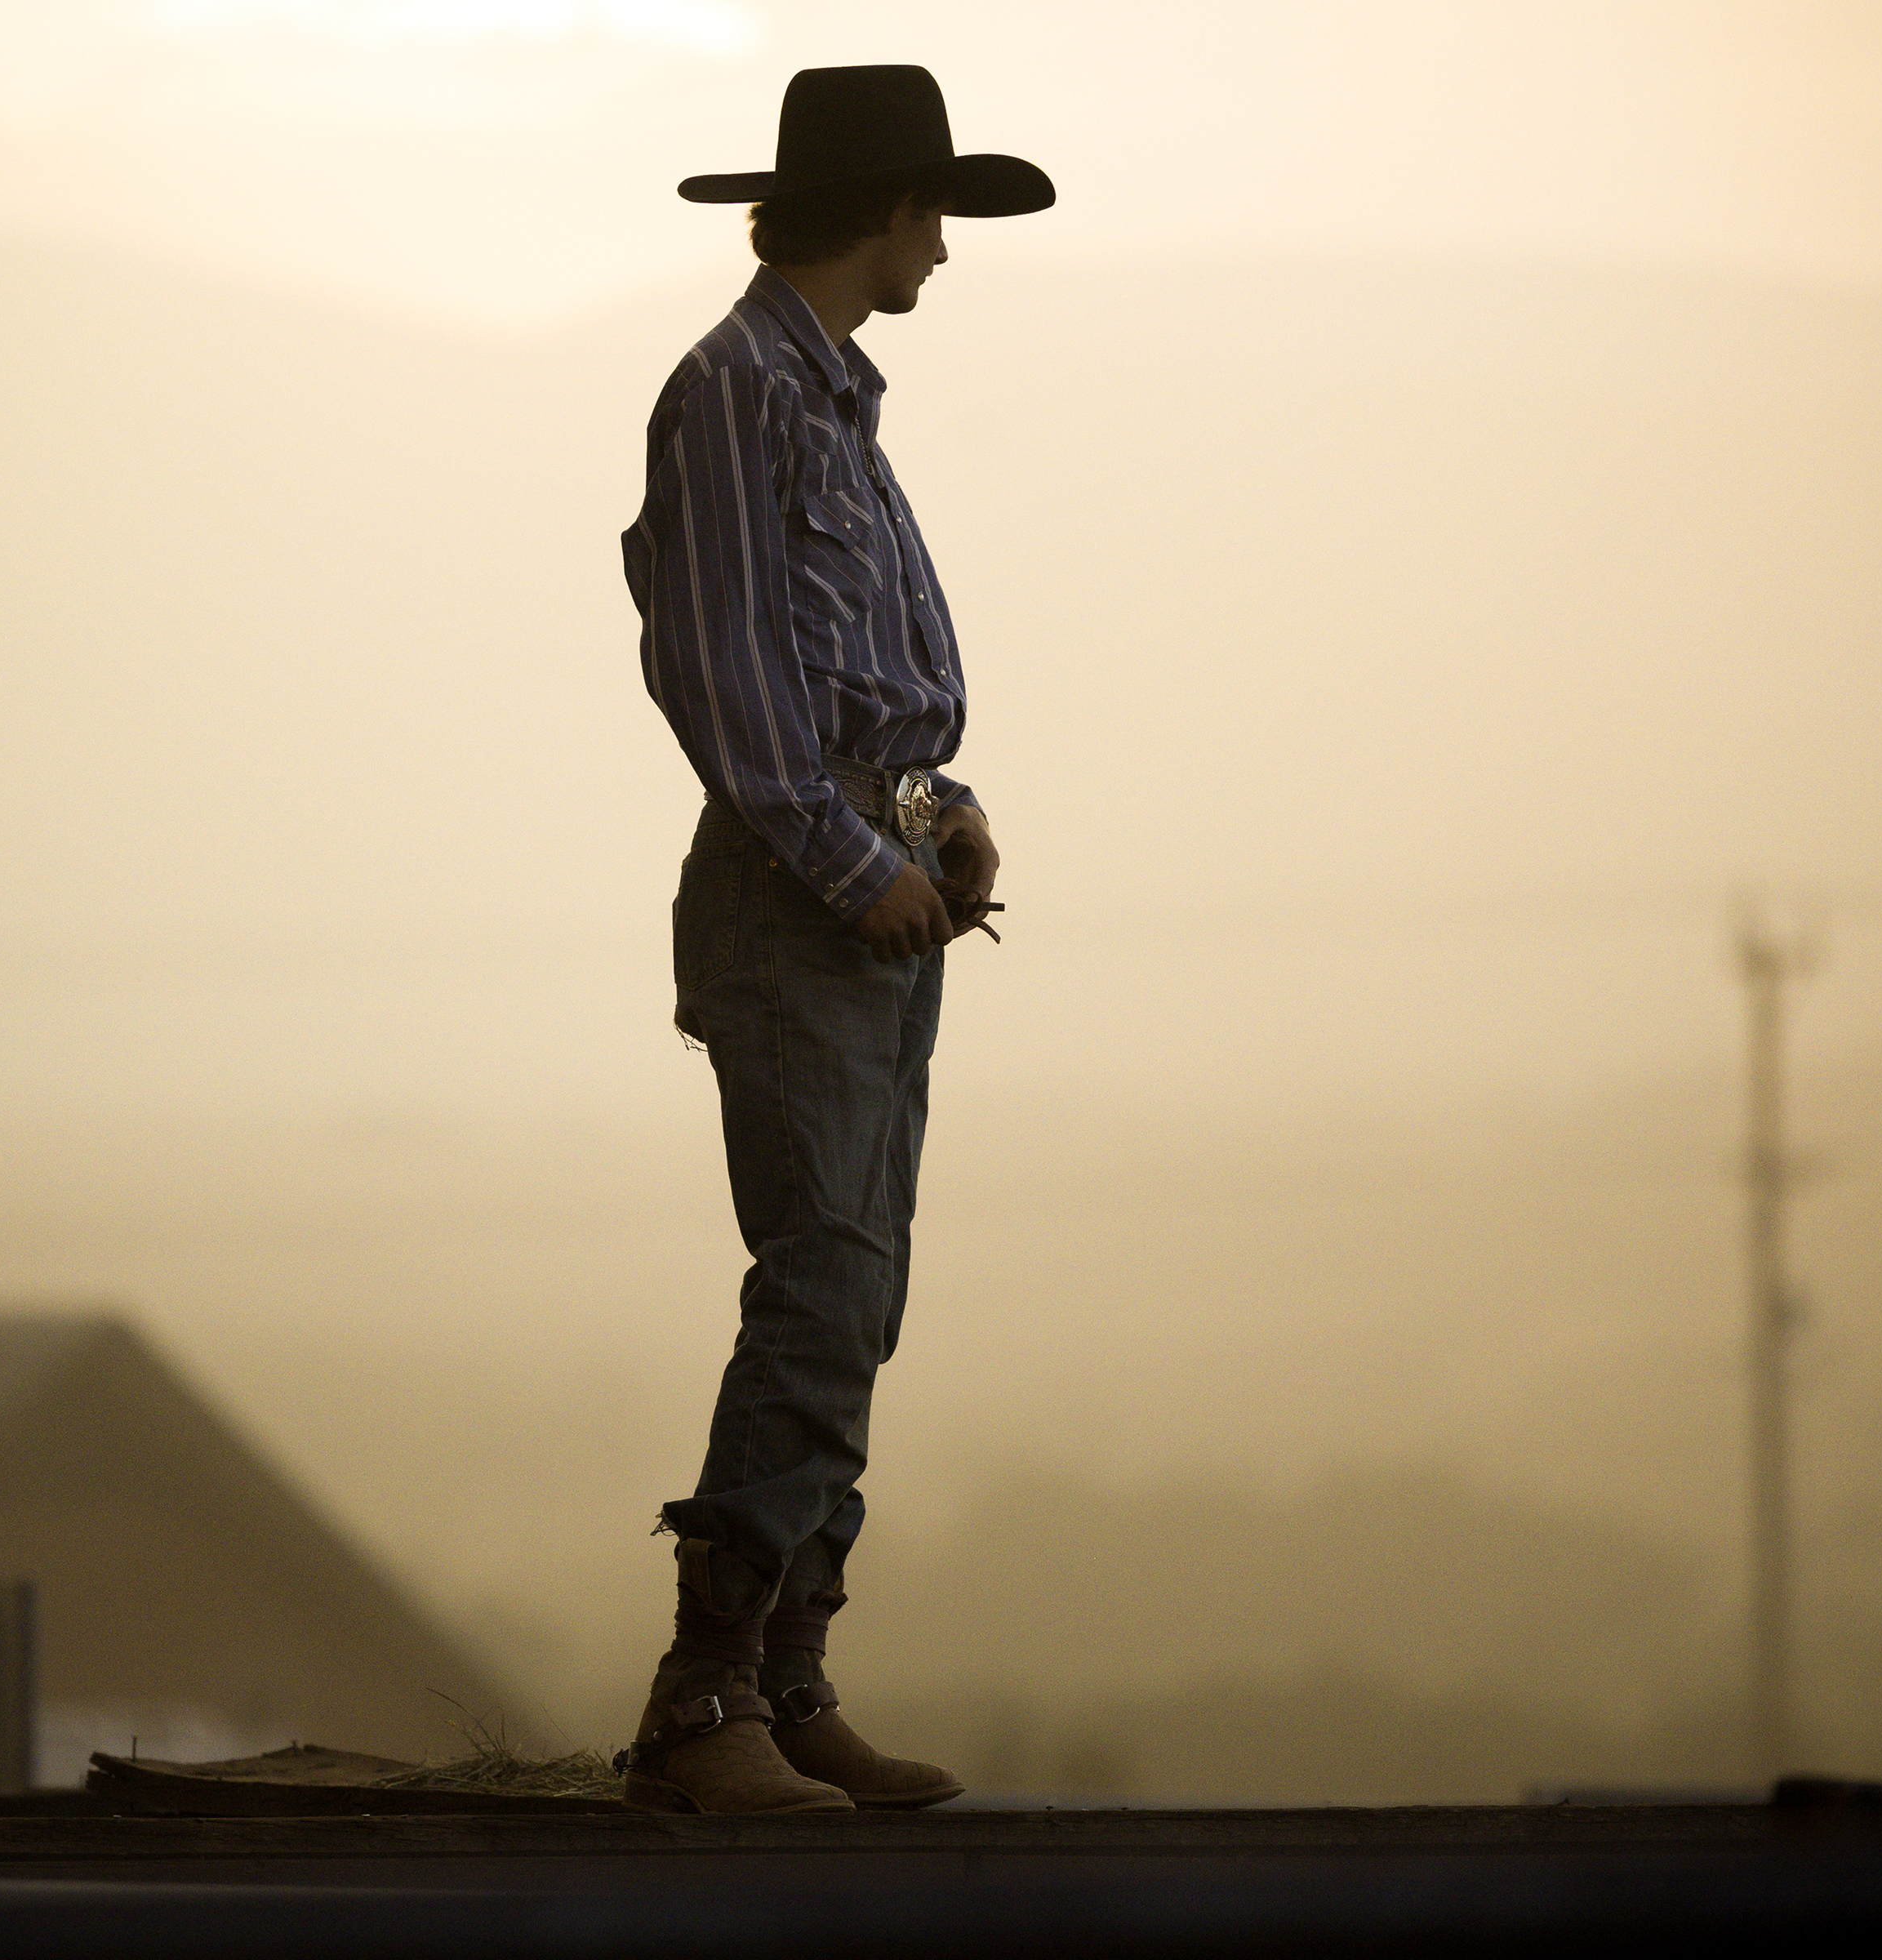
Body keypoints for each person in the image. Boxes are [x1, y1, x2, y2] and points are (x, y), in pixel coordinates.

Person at [615, 65, 1052, 1815]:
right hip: (803, 900)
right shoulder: (735, 395)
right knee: (820, 1273)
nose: (943, 243)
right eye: (931, 209)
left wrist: (935, 820)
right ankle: (701, 1700)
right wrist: (839, 852)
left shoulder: (825, 402)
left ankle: (787, 1680)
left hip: (864, 882)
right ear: (879, 210)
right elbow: (718, 669)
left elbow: (850, 688)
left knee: (857, 1284)